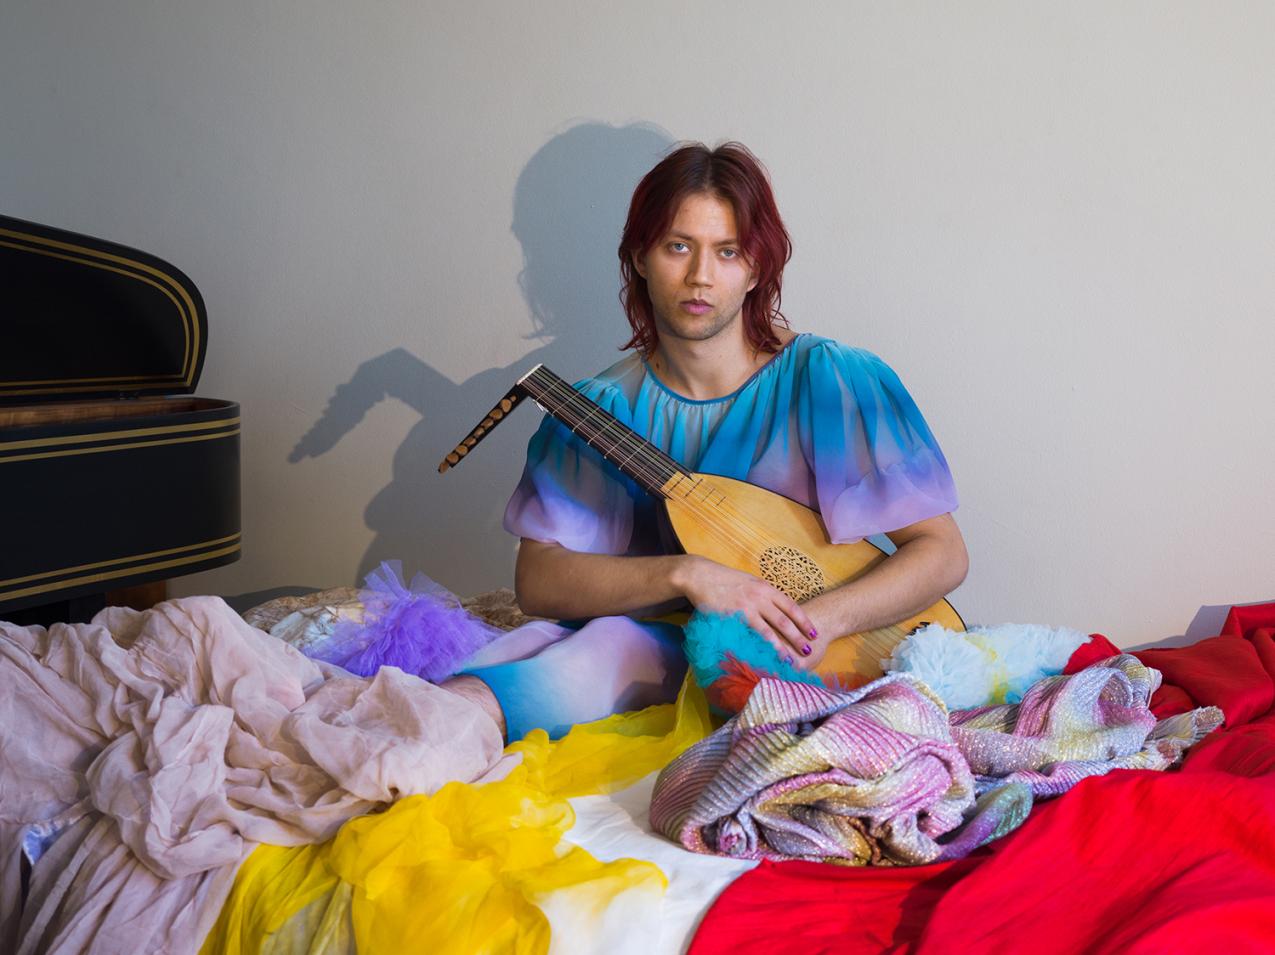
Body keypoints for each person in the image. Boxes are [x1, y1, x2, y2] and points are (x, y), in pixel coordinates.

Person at [444, 142, 967, 741]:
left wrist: (815, 623)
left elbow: (942, 551)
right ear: (640, 258)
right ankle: (419, 742)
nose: (700, 276)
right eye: (678, 246)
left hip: (830, 659)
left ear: (755, 268)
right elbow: (538, 584)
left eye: (727, 251)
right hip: (664, 654)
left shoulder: (828, 381)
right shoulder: (603, 409)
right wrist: (688, 575)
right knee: (567, 656)